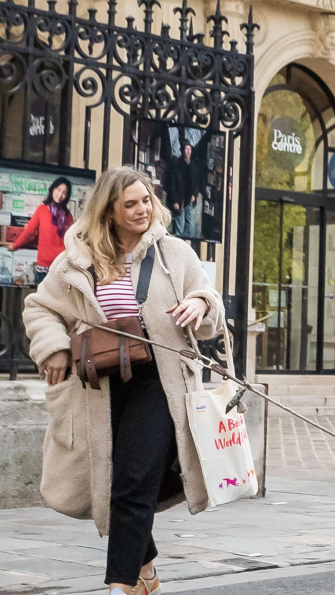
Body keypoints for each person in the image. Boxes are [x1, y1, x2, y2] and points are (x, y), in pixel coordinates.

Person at [24, 167, 224, 595]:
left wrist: (198, 303)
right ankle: (145, 570)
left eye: (146, 200)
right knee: (116, 481)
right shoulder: (78, 258)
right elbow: (40, 308)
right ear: (109, 211)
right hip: (99, 385)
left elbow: (212, 305)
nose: (141, 210)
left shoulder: (174, 253)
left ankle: (120, 586)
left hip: (159, 380)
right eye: (130, 204)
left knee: (134, 480)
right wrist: (54, 348)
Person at [6, 176, 74, 284]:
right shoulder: (42, 210)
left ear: (67, 196)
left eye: (64, 193)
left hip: (61, 267)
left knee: (58, 300)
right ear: (53, 189)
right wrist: (15, 245)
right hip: (44, 268)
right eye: (58, 190)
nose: (60, 195)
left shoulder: (68, 216)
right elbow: (29, 231)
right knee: (42, 300)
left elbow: (71, 239)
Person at [164, 143, 197, 237]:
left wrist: (194, 194)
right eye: (186, 149)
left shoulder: (193, 166)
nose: (188, 151)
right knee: (180, 227)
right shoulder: (176, 165)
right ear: (182, 151)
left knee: (190, 230)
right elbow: (172, 184)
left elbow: (196, 182)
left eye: (190, 149)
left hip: (189, 200)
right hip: (179, 199)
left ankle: (182, 242)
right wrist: (175, 201)